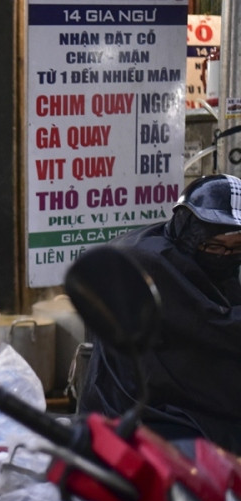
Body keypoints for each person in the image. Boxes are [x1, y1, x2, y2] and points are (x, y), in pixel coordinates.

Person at [79, 173, 241, 455]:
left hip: (178, 390)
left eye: (236, 248)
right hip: (140, 407)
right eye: (214, 245)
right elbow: (213, 324)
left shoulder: (198, 258)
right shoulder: (150, 262)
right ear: (189, 228)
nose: (224, 255)